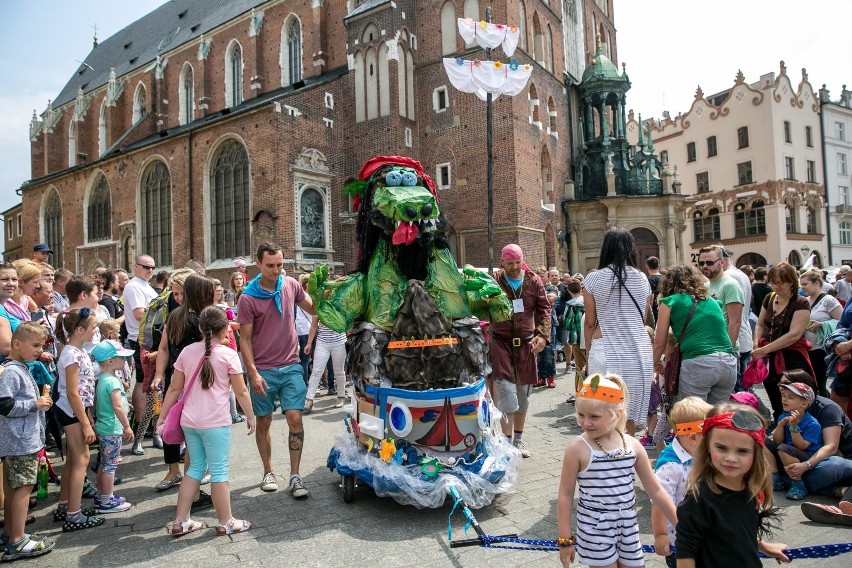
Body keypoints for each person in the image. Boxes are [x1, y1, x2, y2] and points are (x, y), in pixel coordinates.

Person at [555, 374, 678, 568]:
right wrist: (565, 538)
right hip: (595, 527)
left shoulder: (632, 446)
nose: (585, 423)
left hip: (628, 524)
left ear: (617, 413)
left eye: (594, 416)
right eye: (581, 415)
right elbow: (565, 495)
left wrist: (680, 524)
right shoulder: (577, 448)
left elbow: (656, 490)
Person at [157, 306, 255, 537]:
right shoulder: (229, 355)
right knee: (219, 471)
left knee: (194, 469)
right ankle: (226, 521)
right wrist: (250, 415)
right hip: (215, 423)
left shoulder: (187, 352)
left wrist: (162, 417)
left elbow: (174, 388)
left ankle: (181, 521)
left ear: (200, 328)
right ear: (225, 329)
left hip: (190, 422)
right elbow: (241, 392)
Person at [238, 243, 315, 496]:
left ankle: (295, 476)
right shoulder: (248, 298)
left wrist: (333, 300)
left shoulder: (290, 284)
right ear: (258, 264)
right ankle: (268, 470)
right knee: (265, 421)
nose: (276, 270)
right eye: (270, 265)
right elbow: (245, 340)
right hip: (264, 370)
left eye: (280, 265)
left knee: (295, 417)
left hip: (291, 364)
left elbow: (313, 308)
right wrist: (253, 372)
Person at [676, 405, 791, 566]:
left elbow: (735, 533)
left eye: (742, 451)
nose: (731, 458)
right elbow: (685, 553)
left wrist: (763, 546)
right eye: (721, 448)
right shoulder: (699, 499)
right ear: (708, 446)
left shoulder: (751, 490)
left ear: (756, 453)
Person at [584, 228, 653, 436]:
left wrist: (587, 353)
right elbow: (641, 318)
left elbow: (589, 322)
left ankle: (604, 454)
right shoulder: (642, 278)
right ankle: (625, 451)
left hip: (605, 348)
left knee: (601, 407)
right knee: (627, 410)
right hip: (638, 350)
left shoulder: (594, 279)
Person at [150, 275, 213, 494]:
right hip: (193, 380)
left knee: (172, 422)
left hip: (178, 377)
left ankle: (179, 472)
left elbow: (164, 348)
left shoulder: (176, 315)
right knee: (190, 427)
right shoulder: (198, 318)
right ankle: (190, 477)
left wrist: (160, 374)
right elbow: (165, 347)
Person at [489, 244, 550, 458]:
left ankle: (518, 440)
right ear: (502, 261)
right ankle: (505, 443)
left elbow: (544, 309)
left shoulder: (533, 281)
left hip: (526, 345)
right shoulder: (495, 281)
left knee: (523, 397)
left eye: (518, 262)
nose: (514, 267)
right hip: (501, 344)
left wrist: (542, 336)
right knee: (506, 394)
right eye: (510, 262)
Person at [0, 323, 55, 561]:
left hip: (18, 440)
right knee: (23, 489)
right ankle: (18, 540)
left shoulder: (17, 367)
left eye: (41, 345)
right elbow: (4, 405)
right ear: (16, 344)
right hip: (20, 441)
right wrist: (35, 404)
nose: (39, 350)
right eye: (35, 345)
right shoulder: (12, 371)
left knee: (14, 489)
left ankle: (12, 534)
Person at [653, 263, 736, 404]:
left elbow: (660, 342)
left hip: (699, 362)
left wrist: (654, 363)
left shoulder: (669, 301)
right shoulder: (713, 302)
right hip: (728, 363)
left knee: (691, 417)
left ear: (668, 283)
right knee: (715, 418)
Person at [134, 268, 195, 456]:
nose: (177, 297)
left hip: (196, 373)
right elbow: (163, 347)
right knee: (169, 413)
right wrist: (159, 373)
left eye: (181, 293)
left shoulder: (203, 312)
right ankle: (172, 466)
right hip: (174, 371)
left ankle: (191, 456)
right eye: (175, 293)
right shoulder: (173, 314)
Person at [53, 307, 103, 531]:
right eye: (93, 327)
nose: (95, 331)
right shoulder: (71, 353)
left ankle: (65, 505)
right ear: (80, 329)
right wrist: (84, 423)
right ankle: (73, 515)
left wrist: (88, 415)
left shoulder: (77, 351)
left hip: (77, 410)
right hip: (71, 411)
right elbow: (72, 392)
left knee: (74, 459)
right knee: (82, 459)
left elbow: (83, 391)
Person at [765, 369, 852, 497]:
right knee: (758, 438)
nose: (781, 388)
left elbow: (831, 447)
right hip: (794, 455)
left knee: (836, 465)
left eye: (786, 384)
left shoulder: (827, 408)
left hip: (830, 457)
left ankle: (797, 483)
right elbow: (778, 442)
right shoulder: (787, 406)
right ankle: (780, 478)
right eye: (780, 385)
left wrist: (805, 466)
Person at [651, 396, 712, 568]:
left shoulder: (704, 456)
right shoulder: (671, 465)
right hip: (679, 542)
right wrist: (661, 534)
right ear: (693, 438)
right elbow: (660, 502)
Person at [752, 262, 813, 421]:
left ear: (791, 282)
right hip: (770, 356)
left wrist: (766, 349)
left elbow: (795, 334)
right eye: (773, 282)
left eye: (780, 283)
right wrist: (756, 343)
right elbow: (760, 324)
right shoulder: (769, 297)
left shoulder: (801, 302)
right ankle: (780, 428)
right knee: (774, 396)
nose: (776, 286)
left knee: (794, 398)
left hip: (792, 359)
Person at [91, 340, 135, 514]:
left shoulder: (103, 379)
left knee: (104, 463)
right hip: (112, 428)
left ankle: (101, 495)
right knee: (110, 465)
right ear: (110, 361)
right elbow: (117, 406)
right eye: (121, 357)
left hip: (103, 427)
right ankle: (107, 500)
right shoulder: (114, 382)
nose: (124, 361)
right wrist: (127, 426)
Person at [123, 255, 159, 446]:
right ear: (136, 266)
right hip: (141, 339)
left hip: (150, 338)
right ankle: (140, 425)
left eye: (152, 267)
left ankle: (150, 426)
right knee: (142, 382)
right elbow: (139, 314)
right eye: (146, 267)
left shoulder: (146, 286)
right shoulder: (134, 286)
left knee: (152, 382)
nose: (150, 270)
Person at [771, 381, 821, 500]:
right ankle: (774, 477)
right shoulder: (783, 416)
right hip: (788, 452)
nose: (785, 400)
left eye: (790, 397)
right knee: (763, 441)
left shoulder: (812, 423)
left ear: (804, 404)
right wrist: (780, 426)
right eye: (784, 396)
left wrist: (793, 427)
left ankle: (798, 484)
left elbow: (801, 446)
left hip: (807, 455)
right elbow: (777, 441)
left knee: (783, 449)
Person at [800, 269, 842, 396]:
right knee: (810, 383)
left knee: (818, 383)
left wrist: (822, 324)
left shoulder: (828, 300)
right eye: (801, 284)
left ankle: (825, 409)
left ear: (817, 283)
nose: (802, 287)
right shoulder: (805, 300)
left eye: (805, 284)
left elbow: (841, 322)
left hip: (821, 349)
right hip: (807, 348)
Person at [719, 248, 754, 391]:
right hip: (743, 337)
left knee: (738, 390)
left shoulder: (728, 277)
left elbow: (734, 318)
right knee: (743, 388)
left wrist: (729, 347)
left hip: (735, 340)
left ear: (721, 261)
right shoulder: (740, 274)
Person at [303, 313, 348, 412]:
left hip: (339, 342)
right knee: (316, 371)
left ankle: (341, 396)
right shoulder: (319, 304)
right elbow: (314, 325)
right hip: (322, 343)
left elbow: (347, 322)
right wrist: (309, 343)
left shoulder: (341, 303)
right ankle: (309, 400)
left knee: (339, 372)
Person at [562, 279, 585, 403]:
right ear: (581, 289)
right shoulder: (587, 301)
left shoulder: (570, 304)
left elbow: (567, 322)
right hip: (590, 338)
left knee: (579, 367)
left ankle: (580, 392)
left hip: (577, 339)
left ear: (569, 291)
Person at [646, 256, 662, 323]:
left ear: (647, 266)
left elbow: (651, 298)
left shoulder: (649, 280)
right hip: (666, 308)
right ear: (658, 266)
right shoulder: (664, 278)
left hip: (655, 311)